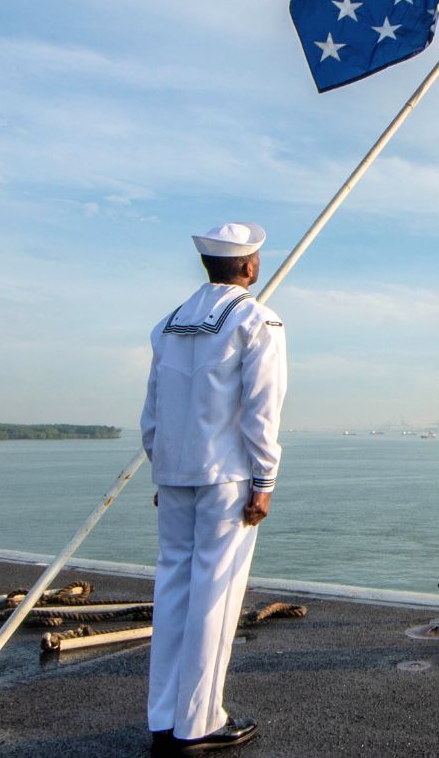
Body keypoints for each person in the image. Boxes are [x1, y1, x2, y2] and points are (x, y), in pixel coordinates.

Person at [141, 222, 286, 755]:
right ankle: (198, 722)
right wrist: (264, 479)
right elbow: (261, 408)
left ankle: (164, 718)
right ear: (249, 266)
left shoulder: (170, 324)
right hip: (226, 476)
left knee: (172, 592)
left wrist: (162, 467)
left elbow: (153, 409)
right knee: (215, 597)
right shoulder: (256, 320)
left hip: (175, 473)